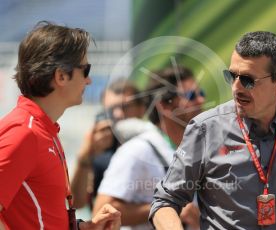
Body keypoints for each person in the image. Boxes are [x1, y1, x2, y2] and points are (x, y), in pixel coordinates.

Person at [149, 31, 276, 230]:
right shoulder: (205, 128)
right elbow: (165, 202)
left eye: (248, 80)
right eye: (231, 76)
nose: (236, 87)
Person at [0, 21, 121, 230]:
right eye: (85, 70)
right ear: (61, 76)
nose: (89, 80)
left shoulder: (43, 129)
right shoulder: (24, 132)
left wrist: (86, 227)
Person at [93, 66, 205, 230]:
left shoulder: (197, 148)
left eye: (201, 93)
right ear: (164, 106)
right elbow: (102, 209)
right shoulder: (137, 150)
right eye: (191, 96)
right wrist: (167, 209)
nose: (201, 101)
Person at [71, 79, 147, 209]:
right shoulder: (100, 149)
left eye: (125, 107)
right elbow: (77, 203)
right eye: (112, 109)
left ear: (142, 109)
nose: (118, 114)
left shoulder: (155, 142)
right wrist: (85, 156)